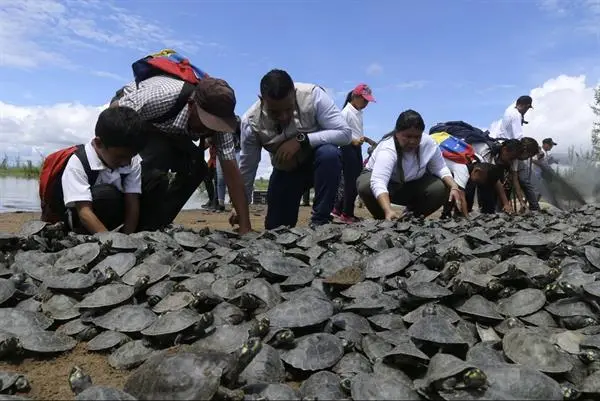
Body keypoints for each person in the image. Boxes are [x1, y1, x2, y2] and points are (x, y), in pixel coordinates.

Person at [113, 75, 252, 234]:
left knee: (197, 169)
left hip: (170, 130)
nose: (208, 130)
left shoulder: (220, 124)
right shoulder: (160, 98)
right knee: (157, 162)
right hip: (135, 116)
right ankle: (124, 218)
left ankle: (155, 224)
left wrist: (245, 224)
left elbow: (232, 173)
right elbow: (113, 116)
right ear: (192, 105)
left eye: (214, 126)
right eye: (206, 122)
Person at [235, 69, 352, 229]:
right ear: (262, 100)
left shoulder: (313, 95)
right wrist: (240, 208)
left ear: (294, 93)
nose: (283, 116)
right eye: (275, 112)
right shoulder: (251, 122)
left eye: (288, 109)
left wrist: (302, 140)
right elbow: (248, 168)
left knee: (329, 154)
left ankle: (320, 222)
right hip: (286, 171)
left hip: (318, 165)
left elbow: (345, 134)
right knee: (276, 229)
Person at [356, 109, 462, 220]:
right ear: (397, 133)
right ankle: (383, 218)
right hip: (386, 186)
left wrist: (454, 186)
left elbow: (440, 168)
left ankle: (412, 218)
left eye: (417, 137)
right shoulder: (388, 148)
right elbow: (379, 182)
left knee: (440, 187)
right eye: (407, 136)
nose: (412, 141)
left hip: (410, 185)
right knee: (365, 186)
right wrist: (388, 210)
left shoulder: (429, 143)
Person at [59, 106, 147, 234]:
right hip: (83, 220)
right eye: (120, 157)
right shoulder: (78, 163)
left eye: (131, 156)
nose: (126, 163)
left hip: (115, 219)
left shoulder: (131, 160)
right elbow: (84, 211)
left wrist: (128, 237)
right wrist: (111, 241)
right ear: (98, 143)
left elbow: (132, 201)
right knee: (106, 195)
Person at [332, 84, 377, 223]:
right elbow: (338, 132)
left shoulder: (357, 112)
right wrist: (354, 141)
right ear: (355, 97)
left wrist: (366, 140)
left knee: (353, 180)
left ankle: (338, 209)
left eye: (368, 101)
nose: (366, 104)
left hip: (356, 148)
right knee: (352, 182)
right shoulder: (346, 112)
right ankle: (347, 214)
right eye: (364, 100)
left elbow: (355, 132)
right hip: (348, 148)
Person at [496, 95, 539, 211]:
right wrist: (529, 147)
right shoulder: (516, 115)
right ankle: (534, 207)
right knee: (522, 179)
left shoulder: (509, 111)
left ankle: (500, 208)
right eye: (527, 108)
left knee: (507, 180)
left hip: (504, 146)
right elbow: (518, 136)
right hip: (511, 149)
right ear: (526, 106)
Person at [215, 117, 242, 212]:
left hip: (236, 150)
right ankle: (221, 204)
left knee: (235, 177)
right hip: (221, 151)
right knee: (220, 178)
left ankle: (234, 203)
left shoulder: (237, 120)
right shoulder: (217, 122)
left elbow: (242, 135)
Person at [202, 140, 217, 210]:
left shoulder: (218, 139)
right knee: (207, 179)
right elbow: (204, 146)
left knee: (217, 181)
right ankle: (211, 199)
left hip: (219, 162)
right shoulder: (210, 140)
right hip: (211, 162)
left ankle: (215, 201)